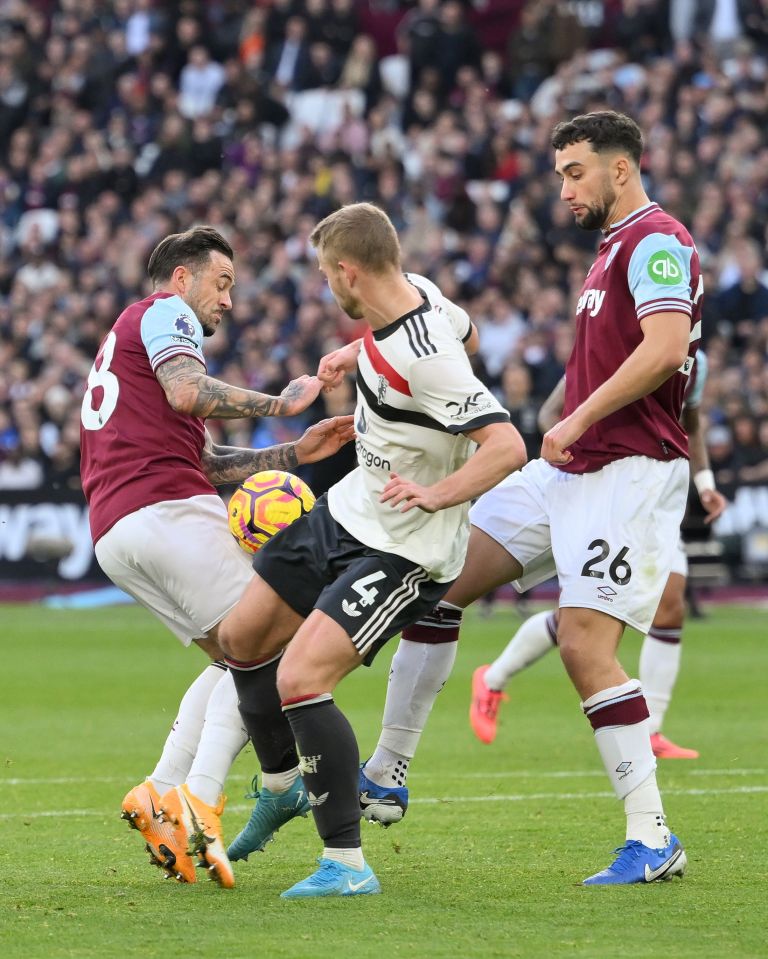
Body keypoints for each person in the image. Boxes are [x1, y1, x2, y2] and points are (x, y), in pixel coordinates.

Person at [362, 112, 702, 885]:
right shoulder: (610, 249)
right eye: (559, 174)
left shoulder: (655, 240)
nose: (563, 188)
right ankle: (386, 769)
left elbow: (666, 346)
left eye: (574, 171)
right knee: (436, 580)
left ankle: (652, 837)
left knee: (585, 646)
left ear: (621, 169)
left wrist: (577, 415)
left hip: (627, 471)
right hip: (569, 468)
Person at [212, 202, 526, 898]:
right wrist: (357, 351)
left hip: (404, 548)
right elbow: (462, 324)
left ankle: (347, 864)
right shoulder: (416, 295)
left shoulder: (430, 354)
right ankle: (284, 785)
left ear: (350, 272)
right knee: (241, 637)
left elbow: (507, 445)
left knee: (301, 677)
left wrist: (440, 495)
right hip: (351, 510)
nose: (327, 286)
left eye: (328, 275)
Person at [79, 225, 354, 888]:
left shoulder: (132, 340)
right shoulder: (164, 314)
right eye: (222, 282)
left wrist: (293, 450)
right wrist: (277, 402)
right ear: (183, 278)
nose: (228, 299)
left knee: (237, 656)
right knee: (270, 649)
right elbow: (186, 391)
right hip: (166, 510)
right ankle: (201, 800)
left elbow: (201, 455)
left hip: (118, 529)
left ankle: (161, 790)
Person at [470, 351, 727, 756]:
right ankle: (492, 679)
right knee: (585, 620)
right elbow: (551, 414)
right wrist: (578, 450)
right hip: (596, 491)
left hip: (650, 493)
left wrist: (706, 481)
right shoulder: (604, 343)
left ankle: (652, 730)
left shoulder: (691, 356)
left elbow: (689, 423)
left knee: (668, 604)